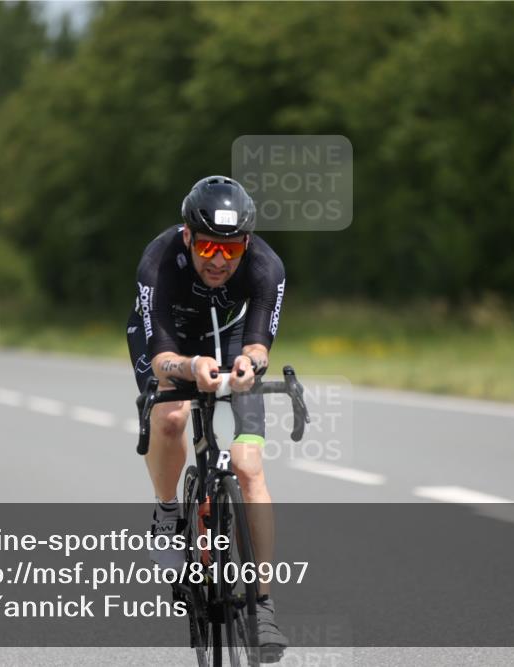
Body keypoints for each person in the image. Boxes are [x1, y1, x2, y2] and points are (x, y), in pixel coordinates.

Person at [127, 175, 289, 659]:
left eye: (230, 250)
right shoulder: (158, 262)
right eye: (207, 248)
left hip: (233, 338)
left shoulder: (266, 267)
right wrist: (190, 368)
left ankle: (263, 607)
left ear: (246, 244)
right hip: (170, 342)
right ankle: (167, 512)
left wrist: (250, 365)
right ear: (187, 237)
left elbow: (259, 342)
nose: (218, 261)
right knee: (172, 416)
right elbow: (159, 357)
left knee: (249, 466)